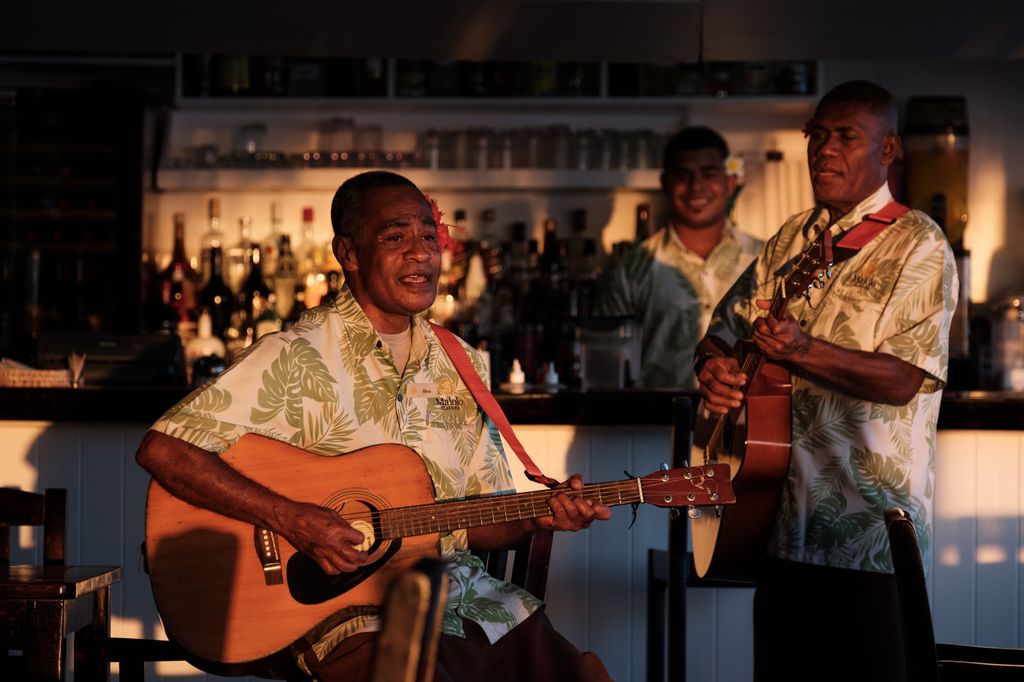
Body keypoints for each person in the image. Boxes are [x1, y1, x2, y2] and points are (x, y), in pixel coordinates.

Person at [135, 170, 613, 682]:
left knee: (580, 675)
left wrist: (541, 515)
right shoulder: (296, 356)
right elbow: (164, 450)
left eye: (428, 236)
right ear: (349, 252)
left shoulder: (462, 364)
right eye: (395, 236)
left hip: (462, 596)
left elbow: (478, 514)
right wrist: (292, 519)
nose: (420, 253)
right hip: (340, 613)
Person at [693, 80, 958, 681]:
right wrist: (712, 365)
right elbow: (722, 329)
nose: (824, 150)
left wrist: (806, 350)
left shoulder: (920, 244)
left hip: (867, 534)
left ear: (887, 151)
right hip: (777, 523)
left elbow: (905, 379)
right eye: (817, 134)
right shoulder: (792, 237)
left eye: (846, 137)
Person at [593, 125, 763, 388]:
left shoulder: (765, 259)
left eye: (709, 174)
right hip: (656, 421)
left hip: (743, 421)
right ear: (665, 183)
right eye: (683, 176)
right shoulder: (630, 269)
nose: (697, 187)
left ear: (730, 182)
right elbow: (606, 359)